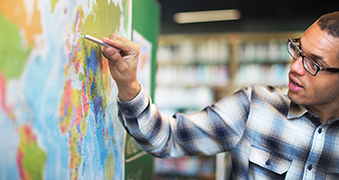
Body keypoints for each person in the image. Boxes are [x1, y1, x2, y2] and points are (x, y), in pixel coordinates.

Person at [101, 11, 339, 179]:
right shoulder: (255, 105)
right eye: (298, 51)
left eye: (314, 64)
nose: (295, 67)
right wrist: (128, 84)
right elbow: (168, 138)